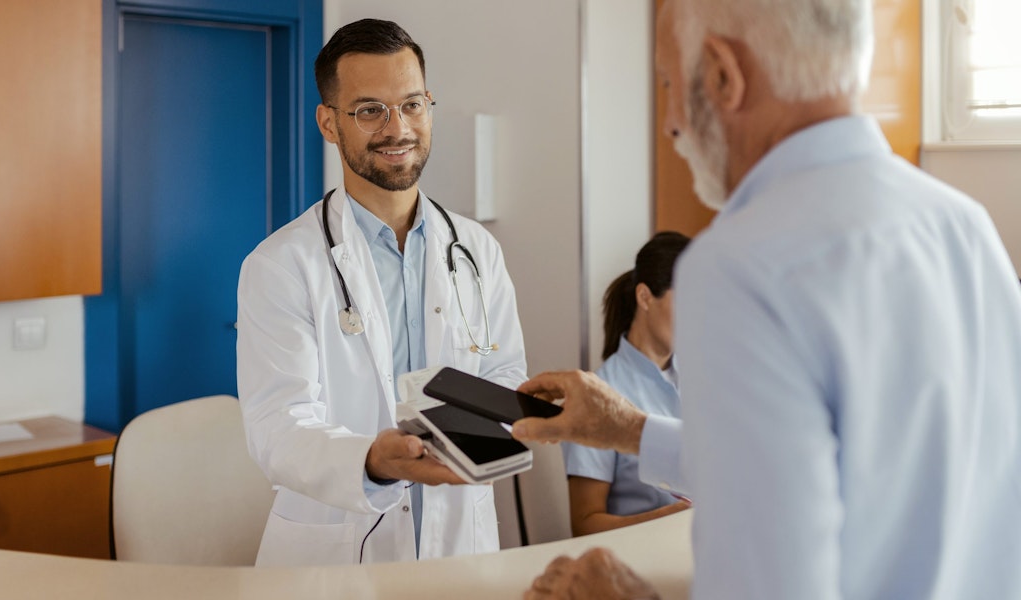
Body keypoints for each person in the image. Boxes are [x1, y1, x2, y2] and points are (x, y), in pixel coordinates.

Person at [514, 0, 1021, 598]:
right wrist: (626, 428)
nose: (672, 121)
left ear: (725, 77)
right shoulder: (964, 226)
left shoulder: (739, 268)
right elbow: (829, 466)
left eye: (671, 84)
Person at [235, 19, 528, 567]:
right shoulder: (280, 266)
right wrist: (373, 460)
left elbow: (504, 374)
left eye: (412, 104)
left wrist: (512, 417)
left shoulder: (477, 250)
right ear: (328, 123)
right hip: (335, 553)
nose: (399, 128)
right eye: (370, 110)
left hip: (460, 542)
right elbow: (278, 427)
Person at [562, 232, 691, 536]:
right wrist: (669, 518)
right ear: (645, 297)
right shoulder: (598, 394)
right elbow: (584, 524)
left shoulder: (705, 380)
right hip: (638, 565)